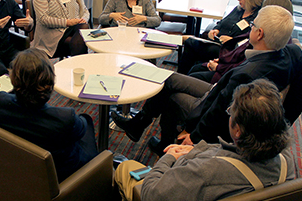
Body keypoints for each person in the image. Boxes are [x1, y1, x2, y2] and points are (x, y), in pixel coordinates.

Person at [112, 5, 302, 156]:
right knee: (168, 79)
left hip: (209, 103)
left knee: (172, 99)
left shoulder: (248, 74)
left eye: (253, 26)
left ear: (259, 33)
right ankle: (139, 123)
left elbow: (218, 110)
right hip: (216, 90)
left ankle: (166, 148)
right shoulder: (291, 52)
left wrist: (195, 136)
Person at [114, 79, 295, 201]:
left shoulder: (206, 171)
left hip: (163, 189)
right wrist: (199, 150)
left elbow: (150, 194)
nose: (229, 114)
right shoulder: (286, 161)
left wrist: (169, 157)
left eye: (231, 111)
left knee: (125, 167)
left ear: (238, 130)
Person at [0, 48, 98, 182]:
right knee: (86, 120)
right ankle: (99, 173)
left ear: (13, 80)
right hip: (62, 177)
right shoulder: (65, 117)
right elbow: (81, 130)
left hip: (20, 170)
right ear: (50, 83)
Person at [189, 0, 294, 84]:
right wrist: (222, 61)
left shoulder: (263, 47)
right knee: (194, 66)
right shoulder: (275, 46)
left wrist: (219, 67)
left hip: (224, 76)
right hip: (226, 62)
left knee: (183, 77)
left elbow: (238, 70)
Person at [177, 0, 266, 75]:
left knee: (191, 43)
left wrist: (232, 41)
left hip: (228, 50)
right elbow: (222, 22)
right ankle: (183, 74)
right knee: (192, 44)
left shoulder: (257, 19)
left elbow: (249, 42)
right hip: (216, 41)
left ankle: (181, 74)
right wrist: (215, 30)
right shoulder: (238, 10)